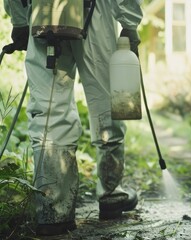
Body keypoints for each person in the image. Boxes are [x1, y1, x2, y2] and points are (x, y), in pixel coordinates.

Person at [3, 0, 143, 236]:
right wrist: (129, 23)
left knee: (49, 109)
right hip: (95, 11)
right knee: (107, 101)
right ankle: (111, 194)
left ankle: (53, 211)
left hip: (42, 12)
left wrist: (19, 19)